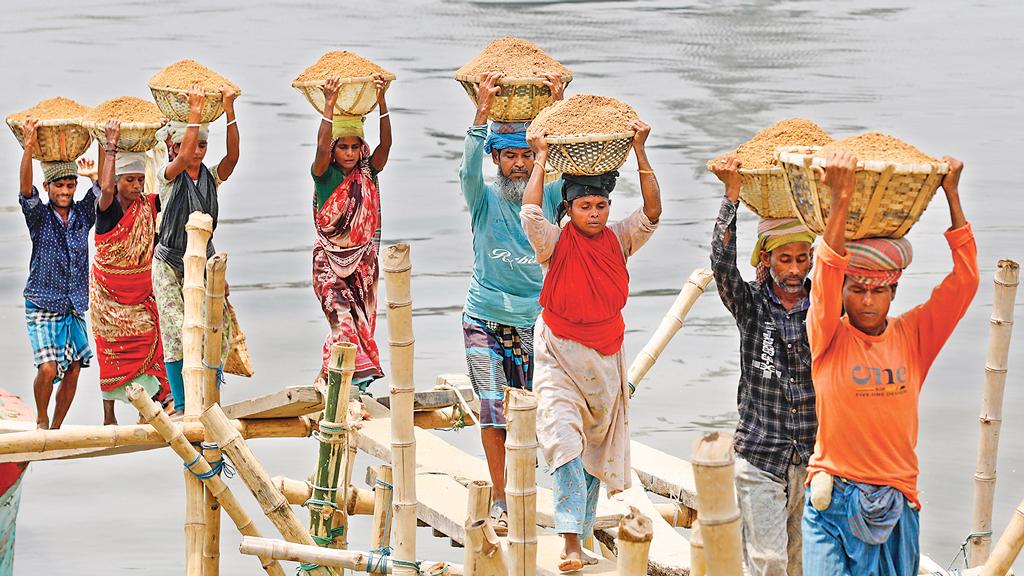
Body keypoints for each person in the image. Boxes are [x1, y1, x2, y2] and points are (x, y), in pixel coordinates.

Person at [802, 151, 978, 575]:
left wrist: (951, 195)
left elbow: (965, 282)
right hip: (833, 499)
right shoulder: (827, 336)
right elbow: (827, 270)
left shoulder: (913, 336)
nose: (866, 300)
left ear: (894, 293)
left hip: (896, 500)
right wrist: (841, 197)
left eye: (877, 291)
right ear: (843, 292)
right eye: (856, 289)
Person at [523, 119, 660, 573]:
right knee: (563, 440)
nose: (595, 214)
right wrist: (541, 156)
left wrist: (639, 151)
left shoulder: (619, 240)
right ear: (570, 208)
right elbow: (530, 214)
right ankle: (569, 541)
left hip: (604, 358)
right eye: (586, 206)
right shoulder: (555, 242)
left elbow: (653, 213)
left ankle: (581, 532)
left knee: (591, 454)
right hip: (559, 355)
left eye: (601, 205)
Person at [459, 71, 565, 533]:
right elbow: (466, 168)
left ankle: (528, 488)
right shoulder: (482, 199)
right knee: (492, 407)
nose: (519, 165)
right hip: (483, 316)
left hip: (534, 323)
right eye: (510, 157)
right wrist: (481, 112)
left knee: (536, 413)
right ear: (496, 159)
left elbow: (566, 167)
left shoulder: (551, 199)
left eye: (527, 156)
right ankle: (501, 497)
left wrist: (560, 106)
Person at [709, 154, 817, 576]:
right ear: (767, 260)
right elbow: (721, 264)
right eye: (784, 259)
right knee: (768, 564)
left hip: (812, 458)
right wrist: (731, 196)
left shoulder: (824, 308)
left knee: (803, 563)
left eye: (802, 258)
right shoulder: (751, 305)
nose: (793, 269)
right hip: (760, 457)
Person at [152, 84, 240, 414]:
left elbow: (232, 158)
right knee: (176, 329)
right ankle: (183, 402)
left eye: (203, 144)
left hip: (202, 262)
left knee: (213, 329)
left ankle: (209, 399)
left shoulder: (210, 177)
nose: (197, 151)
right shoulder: (168, 175)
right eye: (189, 145)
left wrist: (229, 112)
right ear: (171, 148)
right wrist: (194, 113)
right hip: (168, 264)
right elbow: (184, 157)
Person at [311, 74, 391, 392]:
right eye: (342, 147)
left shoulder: (367, 172)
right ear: (333, 150)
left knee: (362, 325)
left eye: (354, 147)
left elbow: (386, 146)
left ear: (361, 148)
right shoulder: (324, 175)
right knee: (342, 319)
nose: (348, 153)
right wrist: (329, 105)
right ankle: (343, 385)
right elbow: (319, 147)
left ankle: (347, 387)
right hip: (328, 261)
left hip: (363, 263)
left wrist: (383, 103)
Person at [17, 119, 98, 429]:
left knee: (75, 367)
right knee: (49, 369)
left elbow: (103, 188)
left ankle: (57, 429)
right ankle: (41, 418)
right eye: (59, 186)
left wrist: (102, 155)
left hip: (73, 304)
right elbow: (26, 190)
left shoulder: (81, 215)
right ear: (48, 187)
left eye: (70, 186)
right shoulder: (39, 217)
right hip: (42, 302)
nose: (65, 191)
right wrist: (28, 146)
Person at [90, 121, 170, 425]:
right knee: (110, 350)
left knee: (150, 334)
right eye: (130, 181)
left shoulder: (148, 205)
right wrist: (109, 148)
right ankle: (108, 417)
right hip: (108, 296)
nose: (136, 186)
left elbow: (171, 186)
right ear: (118, 181)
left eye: (139, 180)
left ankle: (144, 408)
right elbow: (105, 187)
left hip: (140, 293)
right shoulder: (107, 208)